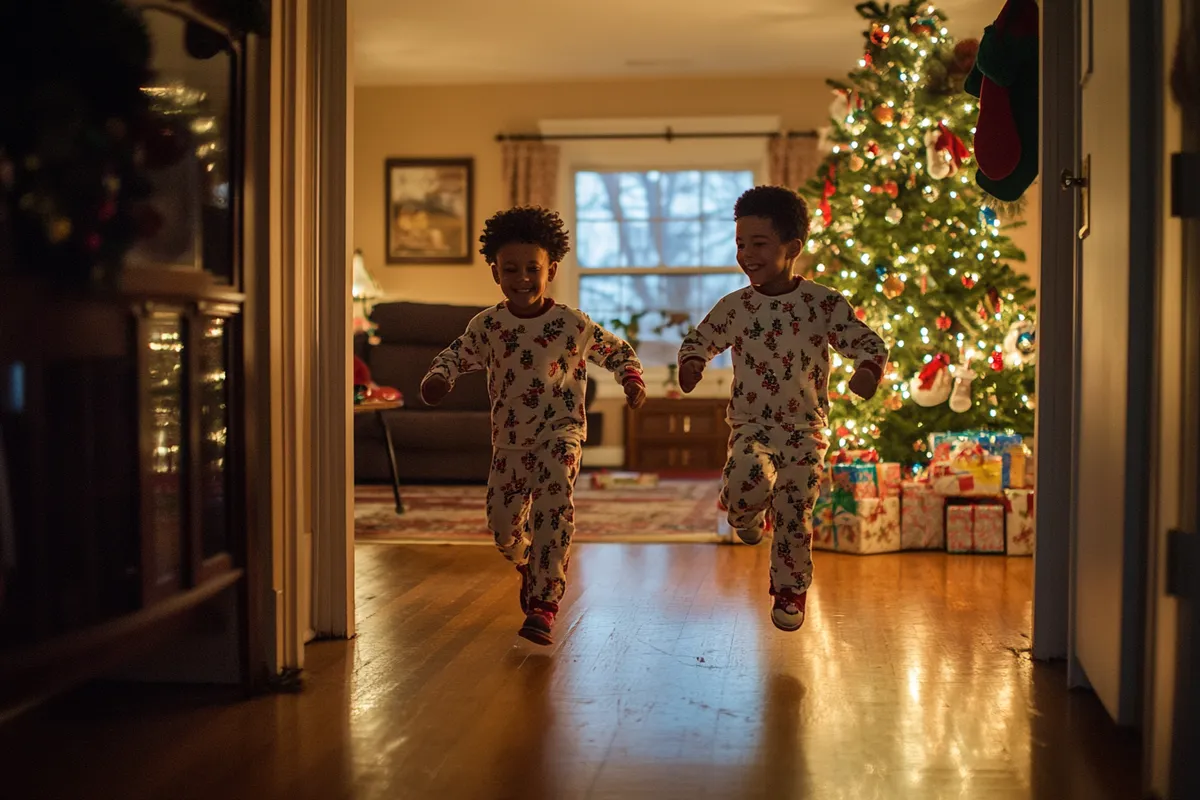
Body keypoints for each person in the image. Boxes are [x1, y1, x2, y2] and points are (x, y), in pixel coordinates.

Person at [421, 206, 646, 646]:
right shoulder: (488, 326)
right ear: (494, 272)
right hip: (509, 440)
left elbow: (616, 350)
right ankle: (527, 562)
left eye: (532, 269)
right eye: (510, 269)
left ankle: (546, 601)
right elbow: (455, 354)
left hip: (561, 432)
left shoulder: (571, 324)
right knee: (502, 525)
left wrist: (632, 379)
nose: (522, 278)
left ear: (552, 269)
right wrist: (438, 378)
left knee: (554, 505)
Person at [677, 186, 887, 632]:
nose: (746, 254)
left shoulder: (823, 303)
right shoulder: (736, 306)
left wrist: (867, 369)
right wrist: (693, 362)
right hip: (752, 427)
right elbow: (701, 338)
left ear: (793, 248)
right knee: (744, 485)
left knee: (795, 510)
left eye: (759, 243)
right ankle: (743, 511)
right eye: (739, 244)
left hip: (805, 431)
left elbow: (865, 341)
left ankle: (790, 590)